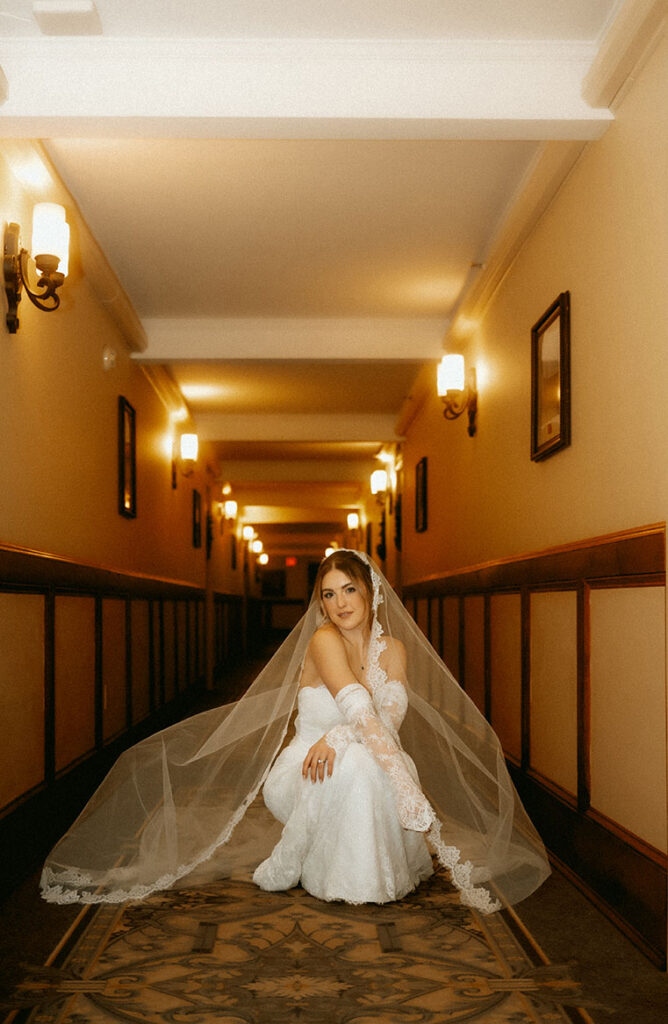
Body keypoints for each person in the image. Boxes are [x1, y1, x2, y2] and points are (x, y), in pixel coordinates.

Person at [41, 550, 550, 912]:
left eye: (349, 589)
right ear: (321, 605)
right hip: (303, 766)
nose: (340, 602)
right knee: (362, 762)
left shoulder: (394, 649)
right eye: (328, 594)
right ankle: (351, 878)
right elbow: (357, 708)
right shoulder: (324, 641)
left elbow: (387, 721)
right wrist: (400, 784)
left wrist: (354, 744)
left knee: (362, 759)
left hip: (367, 755)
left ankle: (367, 871)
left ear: (371, 590)